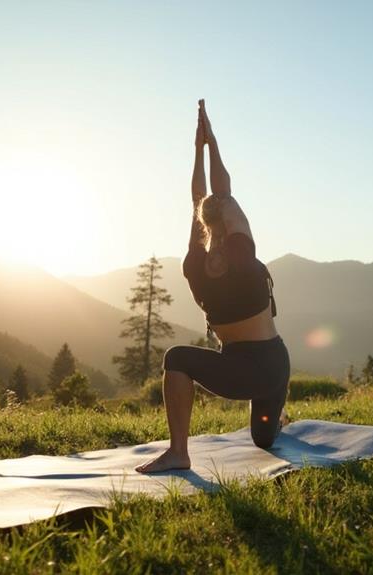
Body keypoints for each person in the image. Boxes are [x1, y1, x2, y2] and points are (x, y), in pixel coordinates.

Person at [136, 100, 290, 473]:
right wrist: (204, 148)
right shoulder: (226, 258)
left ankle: (272, 418)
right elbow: (206, 199)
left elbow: (212, 197)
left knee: (263, 439)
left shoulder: (225, 261)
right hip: (249, 368)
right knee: (178, 358)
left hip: (266, 366)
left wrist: (207, 146)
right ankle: (179, 453)